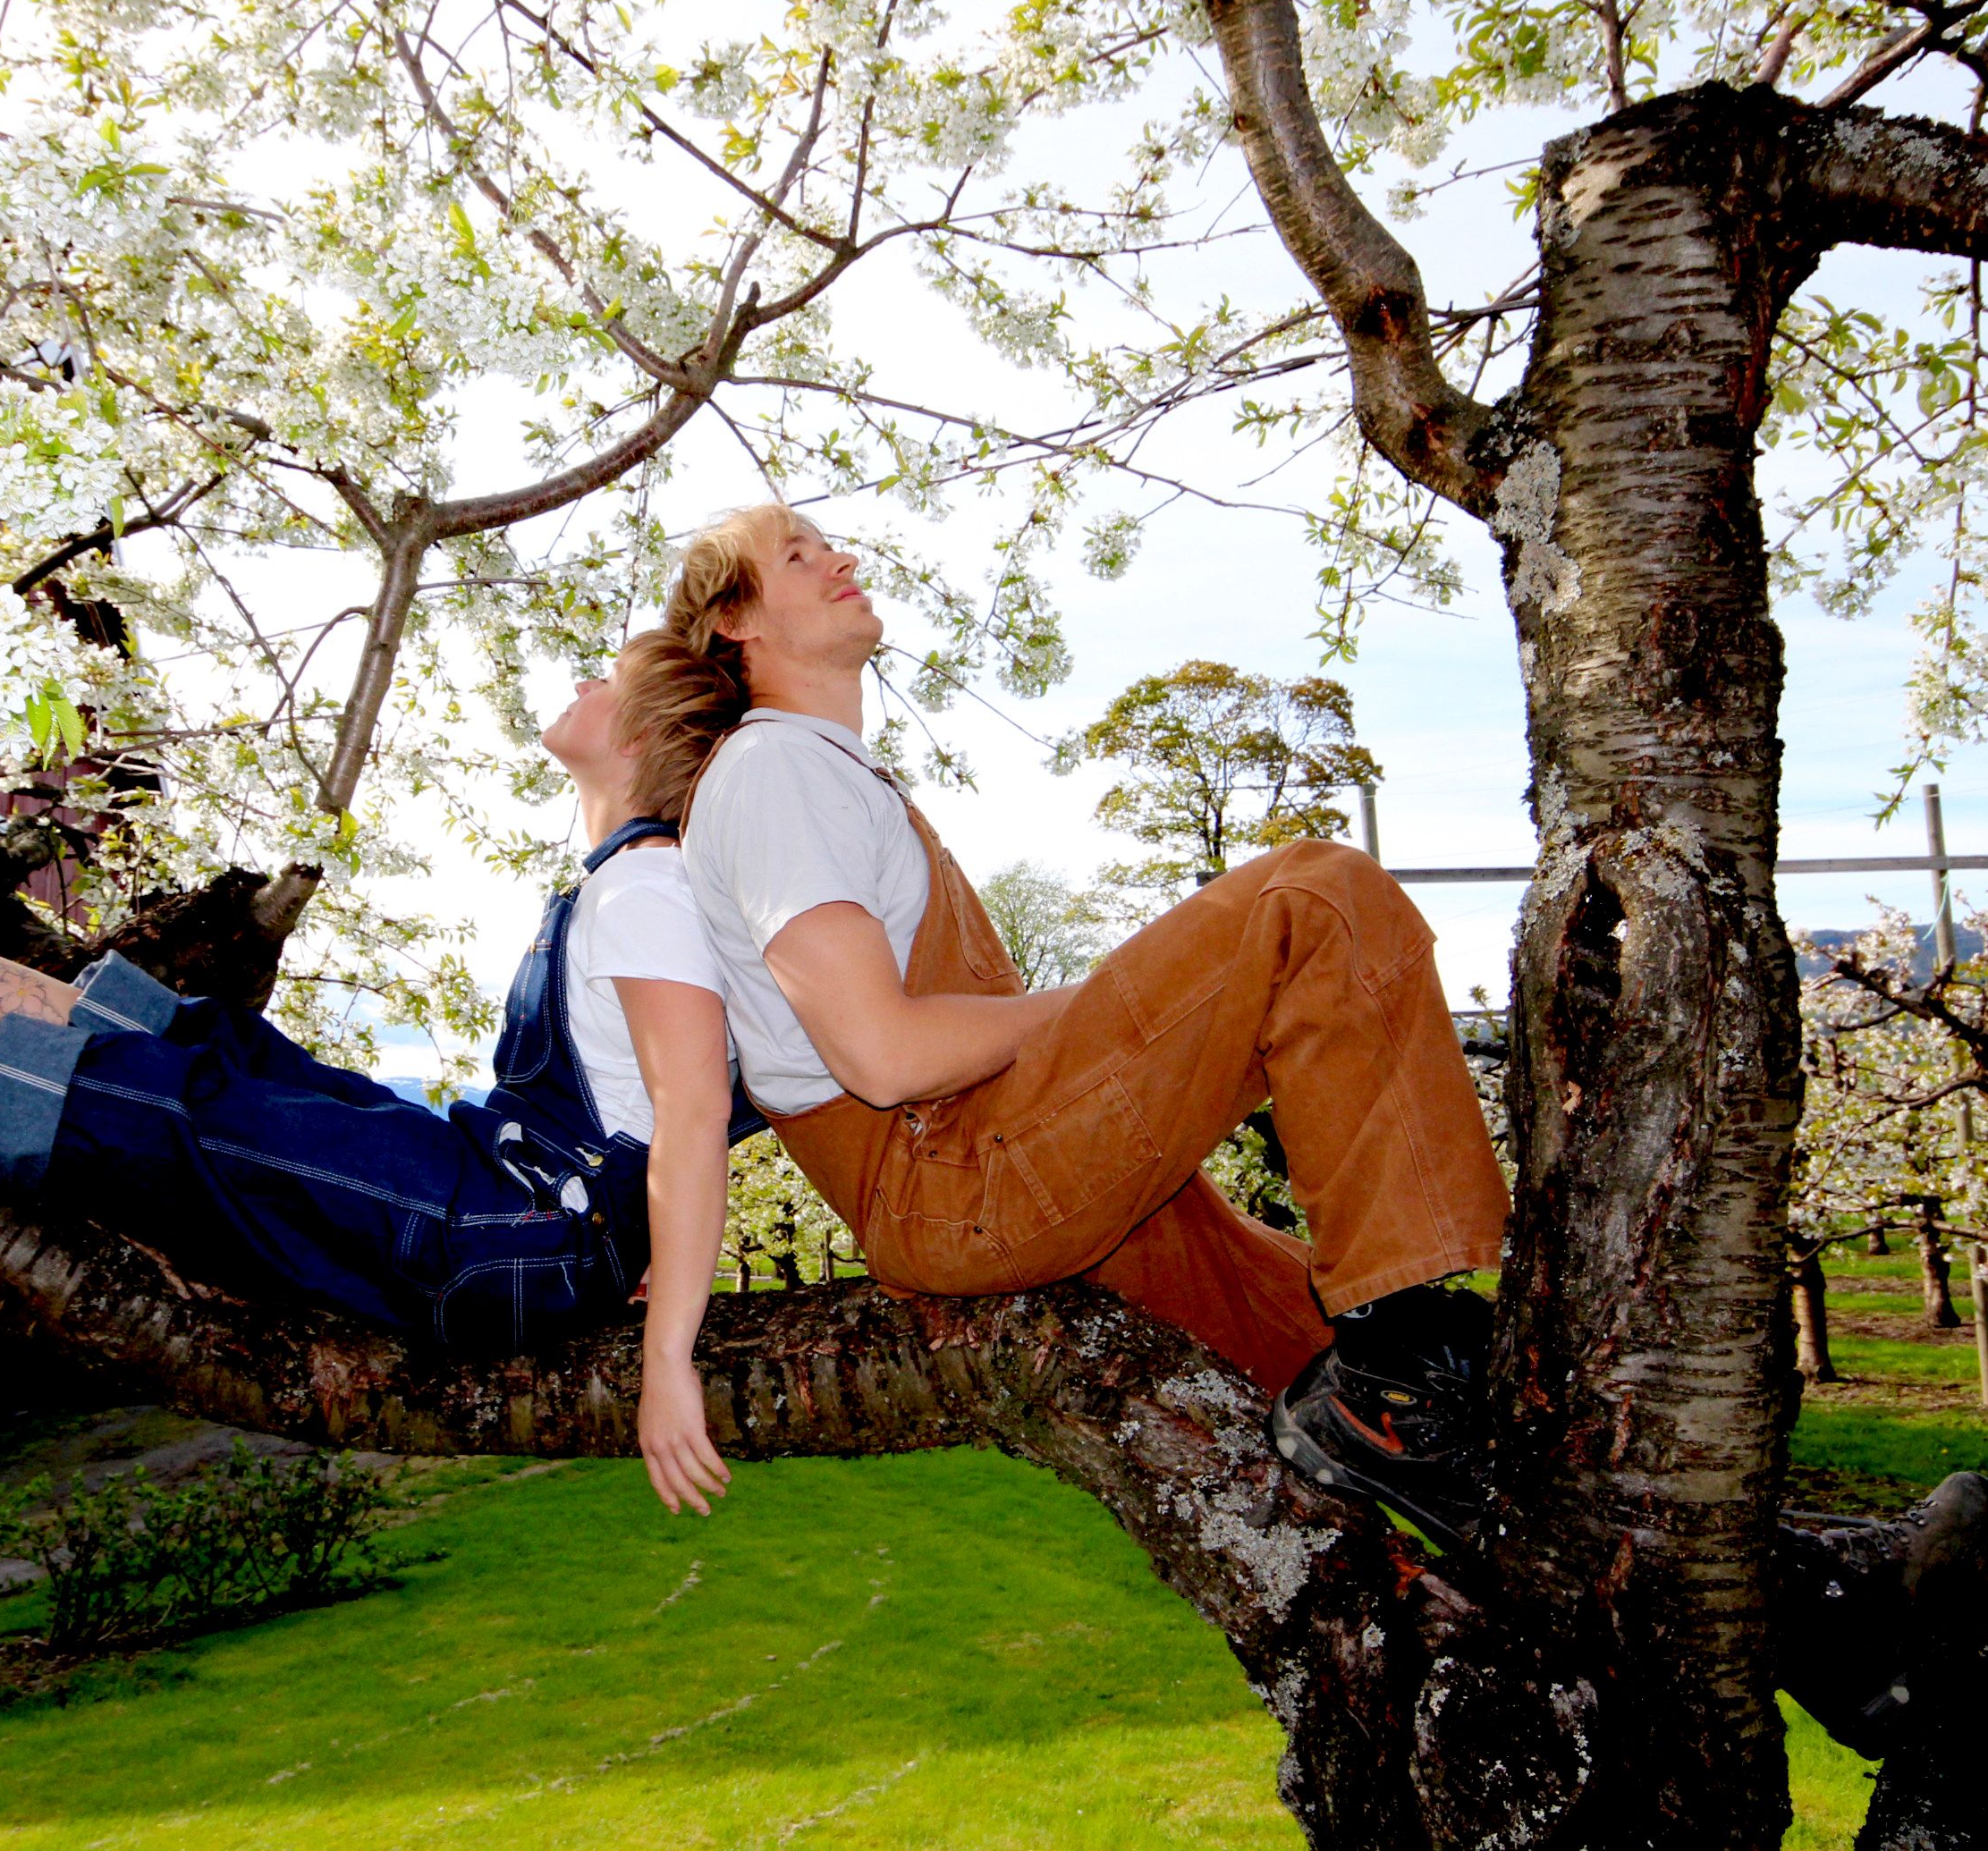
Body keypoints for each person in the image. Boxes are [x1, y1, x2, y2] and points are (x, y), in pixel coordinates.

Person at [613, 501, 1514, 1551]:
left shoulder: (820, 772)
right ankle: (1403, 1369)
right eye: (798, 555)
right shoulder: (772, 771)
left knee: (1363, 1358)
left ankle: (1488, 1483)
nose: (837, 558)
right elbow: (883, 1055)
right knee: (1315, 901)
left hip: (1008, 1152)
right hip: (953, 1172)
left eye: (832, 543)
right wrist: (1133, 1009)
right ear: (737, 623)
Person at [0, 665, 759, 1518]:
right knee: (212, 1049)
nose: (584, 677)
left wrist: (668, 1344)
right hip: (500, 1198)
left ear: (642, 736)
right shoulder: (627, 881)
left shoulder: (646, 887)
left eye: (610, 678)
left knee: (172, 1116)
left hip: (503, 1227)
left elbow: (698, 1118)